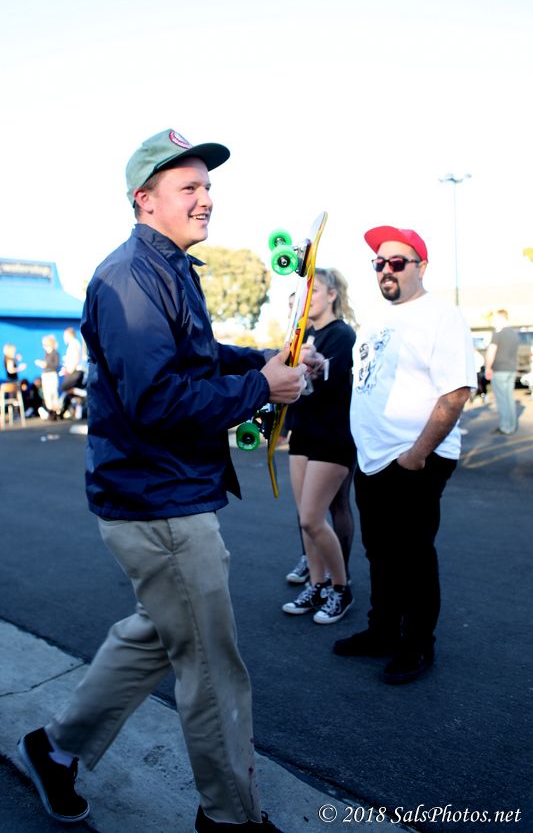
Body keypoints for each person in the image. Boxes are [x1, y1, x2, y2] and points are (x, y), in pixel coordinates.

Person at [17, 129, 314, 832]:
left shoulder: (166, 268)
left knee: (160, 632)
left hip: (165, 492)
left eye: (208, 186)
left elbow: (197, 356)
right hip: (157, 500)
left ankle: (54, 750)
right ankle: (230, 817)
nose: (206, 198)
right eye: (189, 187)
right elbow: (156, 401)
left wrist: (263, 360)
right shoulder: (131, 277)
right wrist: (262, 389)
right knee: (211, 667)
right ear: (144, 200)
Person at [333, 226, 475, 685]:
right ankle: (382, 631)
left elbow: (456, 391)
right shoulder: (378, 320)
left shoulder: (440, 315)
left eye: (397, 262)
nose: (386, 270)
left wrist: (417, 455)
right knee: (380, 552)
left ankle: (417, 645)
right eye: (379, 263)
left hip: (414, 457)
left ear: (421, 267)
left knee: (412, 556)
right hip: (373, 457)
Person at [281, 268, 357, 623]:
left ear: (332, 295)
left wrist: (304, 368)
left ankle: (341, 588)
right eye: (305, 292)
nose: (308, 298)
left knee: (314, 518)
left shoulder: (342, 334)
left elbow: (325, 384)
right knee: (305, 520)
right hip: (303, 433)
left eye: (316, 291)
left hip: (332, 436)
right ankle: (316, 583)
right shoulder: (304, 336)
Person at [484, 309, 520, 435]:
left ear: (501, 318)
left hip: (499, 370)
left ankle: (505, 427)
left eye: (495, 319)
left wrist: (488, 367)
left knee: (502, 400)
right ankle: (512, 426)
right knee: (509, 399)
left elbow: (491, 351)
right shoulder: (514, 334)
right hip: (511, 370)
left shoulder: (498, 333)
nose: (494, 321)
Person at [58, 327, 85, 418]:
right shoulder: (73, 344)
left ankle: (84, 393)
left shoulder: (74, 344)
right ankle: (78, 414)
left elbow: (75, 358)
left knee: (64, 387)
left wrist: (69, 369)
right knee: (73, 393)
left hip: (75, 371)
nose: (64, 338)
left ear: (69, 335)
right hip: (75, 371)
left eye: (65, 336)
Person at [35, 335, 60, 420]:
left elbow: (56, 365)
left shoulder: (55, 353)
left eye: (45, 344)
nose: (43, 346)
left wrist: (46, 364)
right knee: (47, 394)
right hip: (45, 375)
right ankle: (50, 411)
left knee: (53, 393)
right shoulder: (46, 354)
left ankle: (55, 412)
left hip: (52, 374)